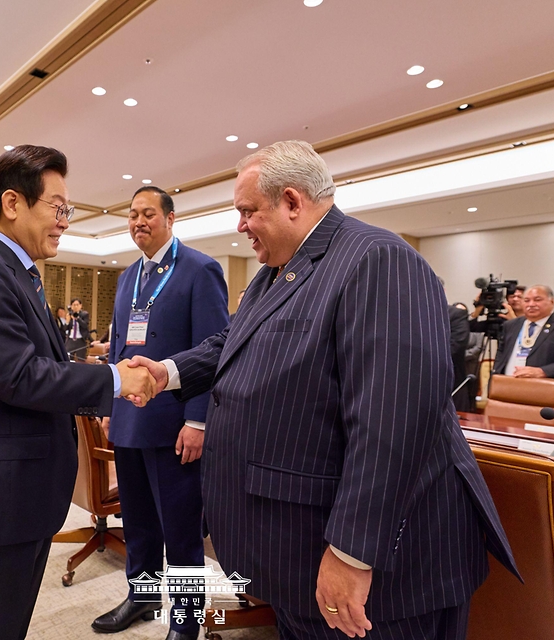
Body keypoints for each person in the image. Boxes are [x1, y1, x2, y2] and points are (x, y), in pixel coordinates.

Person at [126, 141, 517, 639]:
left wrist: (353, 552)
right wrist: (167, 373)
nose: (240, 226)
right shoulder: (278, 270)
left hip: (381, 575)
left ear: (292, 201)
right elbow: (234, 341)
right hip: (298, 554)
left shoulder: (379, 260)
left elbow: (394, 420)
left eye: (248, 212)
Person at [0, 144, 157, 640]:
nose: (65, 221)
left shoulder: (19, 273)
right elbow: (21, 377)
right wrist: (116, 381)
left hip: (22, 495)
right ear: (13, 204)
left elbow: (47, 367)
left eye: (67, 211)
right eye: (58, 208)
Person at [93, 186, 228, 640]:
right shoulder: (128, 276)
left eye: (148, 213)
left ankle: (187, 621)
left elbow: (214, 350)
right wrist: (109, 407)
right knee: (139, 522)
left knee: (181, 529)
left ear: (171, 218)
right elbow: (118, 347)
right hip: (130, 420)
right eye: (132, 215)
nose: (138, 222)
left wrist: (198, 419)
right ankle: (143, 595)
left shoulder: (200, 270)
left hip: (175, 425)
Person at [493, 285, 554, 380]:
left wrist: (543, 371)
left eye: (537, 300)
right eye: (526, 300)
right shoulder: (510, 325)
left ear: (552, 302)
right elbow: (501, 355)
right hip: (507, 385)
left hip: (543, 389)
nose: (531, 304)